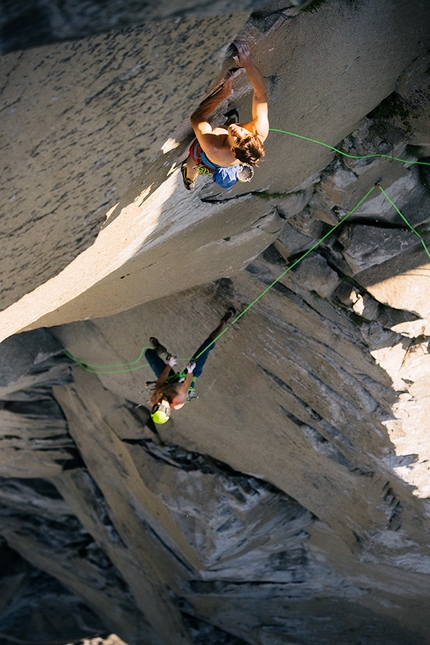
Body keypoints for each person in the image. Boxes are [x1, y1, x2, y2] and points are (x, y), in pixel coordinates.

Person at [181, 41, 269, 191]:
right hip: (233, 155)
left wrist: (224, 92)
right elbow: (260, 95)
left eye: (237, 139)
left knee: (194, 163)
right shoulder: (259, 131)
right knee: (233, 128)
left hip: (208, 160)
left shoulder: (213, 147)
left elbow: (197, 117)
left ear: (233, 151)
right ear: (254, 135)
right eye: (245, 133)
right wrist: (248, 64)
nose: (238, 131)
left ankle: (189, 178)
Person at [145, 307, 236, 424]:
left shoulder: (154, 399)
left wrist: (170, 365)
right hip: (185, 381)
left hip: (168, 381)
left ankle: (159, 349)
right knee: (205, 348)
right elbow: (186, 385)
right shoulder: (178, 401)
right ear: (168, 410)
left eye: (158, 405)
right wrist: (189, 371)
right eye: (163, 406)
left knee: (149, 354)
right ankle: (223, 323)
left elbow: (160, 381)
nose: (161, 401)